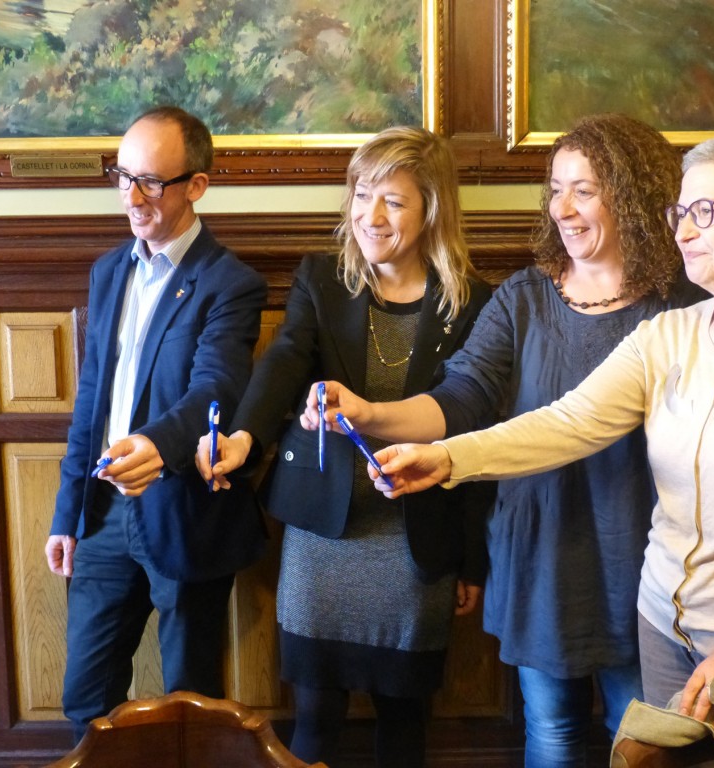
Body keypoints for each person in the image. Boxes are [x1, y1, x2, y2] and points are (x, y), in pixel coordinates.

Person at [370, 134, 714, 738]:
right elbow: (568, 422)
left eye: (705, 212)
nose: (684, 231)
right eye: (680, 213)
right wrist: (447, 457)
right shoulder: (671, 333)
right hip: (667, 630)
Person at [307, 113, 706, 767]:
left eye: (585, 189)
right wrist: (370, 414)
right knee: (552, 736)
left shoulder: (685, 306)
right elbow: (459, 401)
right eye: (556, 189)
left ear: (631, 194)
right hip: (541, 551)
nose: (564, 209)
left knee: (647, 745)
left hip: (644, 558)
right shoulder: (525, 297)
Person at [195, 126, 493, 768]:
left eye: (392, 200)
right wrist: (246, 434)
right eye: (361, 194)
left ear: (431, 208)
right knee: (315, 717)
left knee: (404, 719)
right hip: (324, 536)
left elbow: (476, 433)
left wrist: (472, 560)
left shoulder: (472, 303)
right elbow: (285, 358)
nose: (370, 216)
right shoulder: (322, 279)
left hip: (415, 536)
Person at [44, 105, 268, 741]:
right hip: (105, 516)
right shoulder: (109, 270)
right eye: (122, 176)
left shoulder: (231, 284)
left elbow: (215, 390)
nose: (132, 196)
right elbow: (92, 400)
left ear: (196, 185)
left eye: (151, 181)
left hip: (185, 515)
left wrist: (154, 444)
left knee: (190, 710)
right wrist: (69, 513)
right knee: (85, 699)